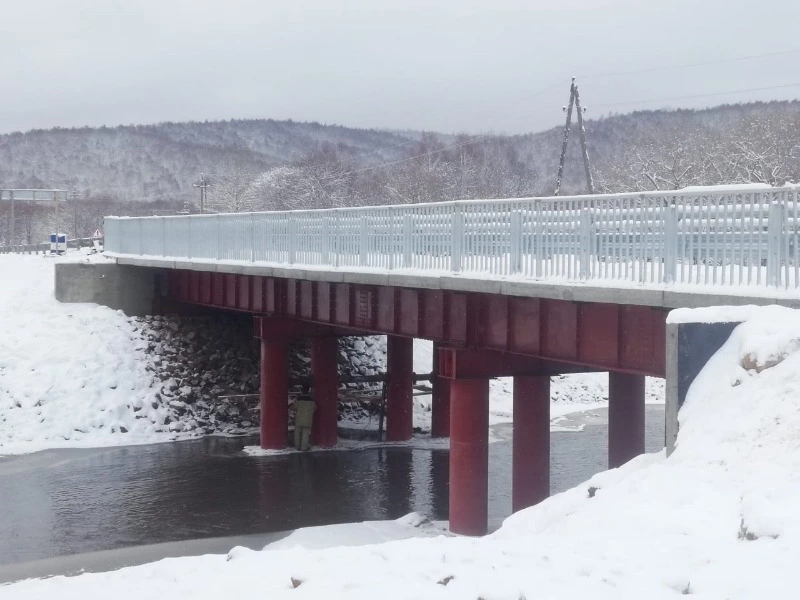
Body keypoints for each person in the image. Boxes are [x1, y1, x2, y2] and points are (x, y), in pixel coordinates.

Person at [293, 385, 315, 451]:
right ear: (308, 391)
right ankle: (304, 447)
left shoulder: (298, 399)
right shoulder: (312, 400)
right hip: (308, 419)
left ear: (301, 391)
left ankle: (297, 446)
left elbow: (294, 407)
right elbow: (315, 408)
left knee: (297, 433)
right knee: (305, 434)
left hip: (299, 418)